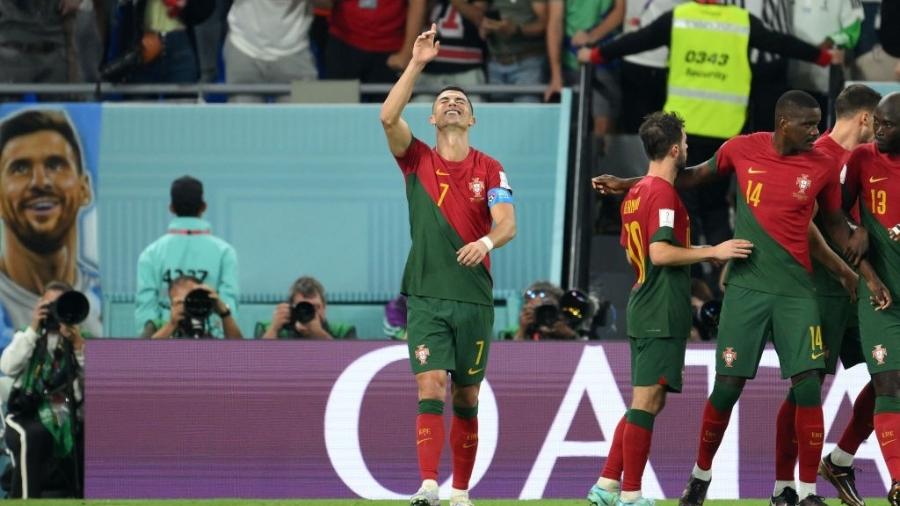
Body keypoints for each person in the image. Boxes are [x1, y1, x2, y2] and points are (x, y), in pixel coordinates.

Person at [593, 91, 883, 504]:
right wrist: (630, 183)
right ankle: (700, 476)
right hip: (746, 288)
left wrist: (853, 266)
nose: (816, 132)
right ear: (784, 124)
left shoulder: (821, 163)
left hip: (797, 292)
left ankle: (804, 491)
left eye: (820, 123)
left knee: (807, 389)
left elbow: (832, 222)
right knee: (727, 388)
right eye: (810, 124)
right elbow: (687, 174)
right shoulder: (741, 148)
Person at [578, 0, 844, 296]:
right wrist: (823, 56)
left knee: (682, 205)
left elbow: (638, 40)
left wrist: (596, 53)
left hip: (682, 133)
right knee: (717, 209)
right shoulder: (740, 20)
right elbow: (780, 43)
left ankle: (693, 283)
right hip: (725, 132)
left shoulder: (680, 17)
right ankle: (722, 287)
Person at [380, 24, 517, 506]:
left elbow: (507, 223)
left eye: (461, 101)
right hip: (427, 295)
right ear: (434, 120)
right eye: (444, 102)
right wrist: (416, 63)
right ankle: (428, 486)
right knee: (431, 383)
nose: (452, 103)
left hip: (474, 300)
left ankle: (461, 492)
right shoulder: (415, 158)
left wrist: (485, 241)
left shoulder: (491, 168)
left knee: (467, 398)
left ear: (473, 120)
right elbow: (387, 116)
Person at [586, 111, 753, 506]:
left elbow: (634, 252)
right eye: (687, 144)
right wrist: (714, 251)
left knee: (648, 400)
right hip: (659, 308)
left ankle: (608, 483)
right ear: (676, 148)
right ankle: (630, 494)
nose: (689, 150)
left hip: (648, 301)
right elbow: (659, 252)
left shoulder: (635, 192)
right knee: (646, 402)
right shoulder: (662, 194)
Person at [778, 84, 882, 506]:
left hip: (862, 286)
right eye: (881, 122)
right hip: (821, 289)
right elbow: (806, 223)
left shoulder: (869, 160)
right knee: (807, 387)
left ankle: (839, 459)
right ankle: (785, 487)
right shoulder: (813, 155)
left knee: (892, 377)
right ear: (865, 118)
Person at [0, 109, 101, 345]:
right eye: (20, 168)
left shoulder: (100, 300)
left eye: (55, 165)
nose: (40, 182)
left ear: (85, 188)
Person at [842, 92, 900, 505]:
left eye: (888, 125)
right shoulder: (861, 160)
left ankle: (840, 460)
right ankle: (898, 482)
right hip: (880, 293)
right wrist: (854, 226)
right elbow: (832, 216)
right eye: (876, 122)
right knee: (888, 384)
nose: (878, 130)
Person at [1, 281, 85, 498]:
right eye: (50, 305)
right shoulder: (27, 337)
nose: (55, 312)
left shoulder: (77, 342)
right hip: (24, 414)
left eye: (60, 306)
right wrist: (33, 329)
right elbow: (7, 367)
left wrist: (77, 346)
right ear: (40, 306)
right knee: (33, 435)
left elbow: (93, 386)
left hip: (63, 414)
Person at [134, 175, 239, 338]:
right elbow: (229, 312)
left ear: (171, 208)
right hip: (214, 352)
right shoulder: (225, 252)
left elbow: (145, 320)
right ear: (203, 207)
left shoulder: (150, 254)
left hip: (162, 353)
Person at [545, 0, 624, 154]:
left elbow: (620, 12)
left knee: (604, 127)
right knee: (569, 129)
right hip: (571, 61)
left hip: (605, 59)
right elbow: (555, 22)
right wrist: (555, 75)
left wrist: (591, 36)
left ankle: (601, 173)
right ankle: (572, 175)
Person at [224, 0, 318, 103]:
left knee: (299, 118)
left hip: (294, 53)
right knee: (244, 118)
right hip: (243, 48)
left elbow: (327, 3)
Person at [481, 0, 549, 103]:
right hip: (495, 62)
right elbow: (479, 12)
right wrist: (484, 27)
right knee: (497, 116)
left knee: (526, 116)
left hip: (527, 64)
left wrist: (518, 29)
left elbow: (546, 23)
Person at [255, 276, 356, 339]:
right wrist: (274, 329)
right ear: (292, 309)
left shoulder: (343, 332)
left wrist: (318, 333)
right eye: (303, 307)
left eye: (316, 307)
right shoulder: (267, 328)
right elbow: (256, 363)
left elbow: (347, 365)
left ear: (325, 307)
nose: (310, 312)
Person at [142, 275, 241, 339]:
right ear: (172, 304)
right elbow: (140, 357)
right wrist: (172, 325)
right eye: (181, 302)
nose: (187, 306)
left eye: (193, 300)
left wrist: (225, 314)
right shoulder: (157, 325)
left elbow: (240, 356)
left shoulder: (212, 329)